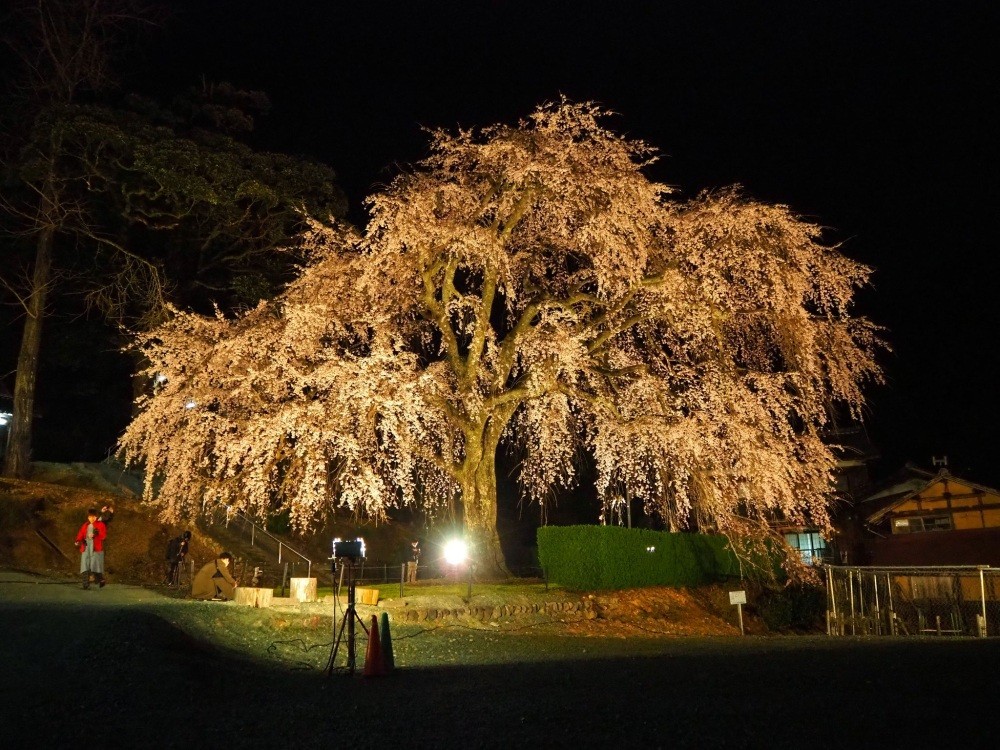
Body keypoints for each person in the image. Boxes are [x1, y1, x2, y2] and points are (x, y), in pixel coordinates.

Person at [75, 508, 107, 589]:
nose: (91, 518)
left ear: (96, 517)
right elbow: (80, 534)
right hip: (85, 547)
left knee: (94, 565)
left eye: (93, 517)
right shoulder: (85, 525)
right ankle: (85, 584)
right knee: (84, 565)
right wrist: (78, 541)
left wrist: (97, 534)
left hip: (95, 548)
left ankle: (101, 580)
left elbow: (103, 536)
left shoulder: (100, 524)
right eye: (90, 517)